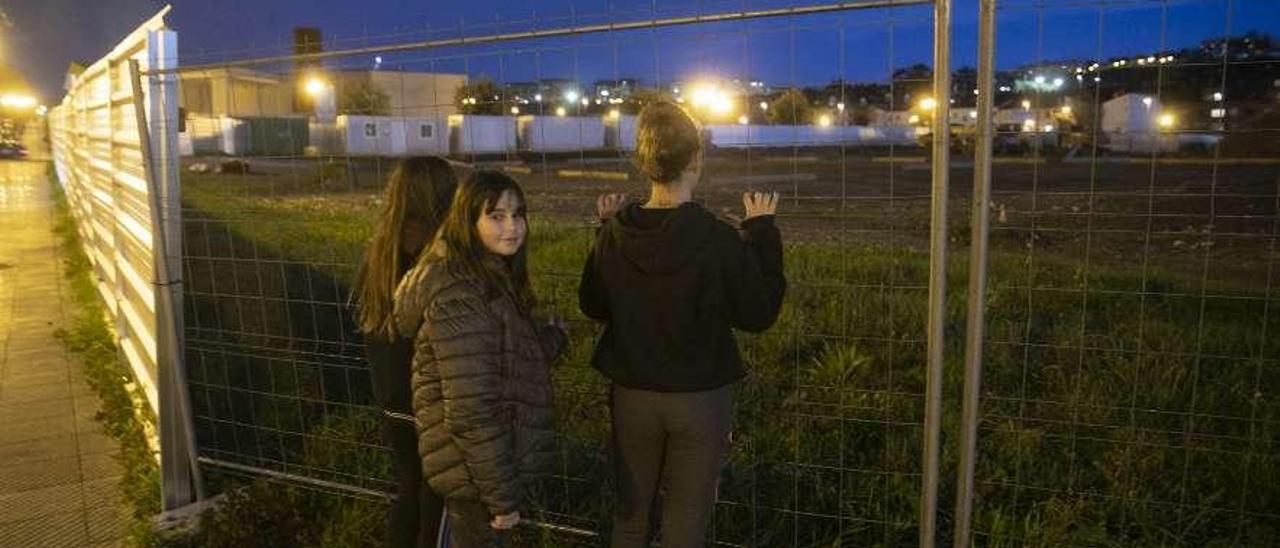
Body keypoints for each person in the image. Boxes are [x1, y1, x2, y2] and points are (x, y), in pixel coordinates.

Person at [579, 101, 786, 548]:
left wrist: (602, 233)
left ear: (644, 162)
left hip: (631, 394)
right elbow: (758, 315)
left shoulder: (615, 233)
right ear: (696, 160)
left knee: (630, 514)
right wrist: (762, 233)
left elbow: (593, 306)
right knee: (685, 521)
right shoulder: (718, 239)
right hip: (700, 398)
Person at [394, 170, 566, 548]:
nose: (513, 227)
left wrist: (549, 341)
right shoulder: (461, 296)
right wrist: (501, 498)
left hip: (479, 473)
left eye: (518, 214)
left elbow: (499, 357)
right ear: (467, 223)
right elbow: (472, 412)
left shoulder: (484, 276)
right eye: (496, 216)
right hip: (477, 479)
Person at [353, 156, 457, 548]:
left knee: (409, 487)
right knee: (437, 494)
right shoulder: (438, 258)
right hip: (430, 400)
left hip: (390, 396)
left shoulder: (380, 252)